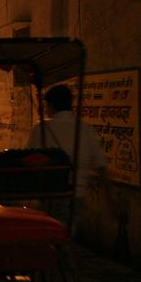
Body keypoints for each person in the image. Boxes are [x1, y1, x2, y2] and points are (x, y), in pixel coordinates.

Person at [26, 84, 107, 234]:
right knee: (66, 233)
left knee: (52, 234)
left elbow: (29, 161)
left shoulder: (40, 128)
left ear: (51, 105)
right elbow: (101, 166)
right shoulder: (86, 129)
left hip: (49, 194)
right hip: (77, 195)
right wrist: (110, 199)